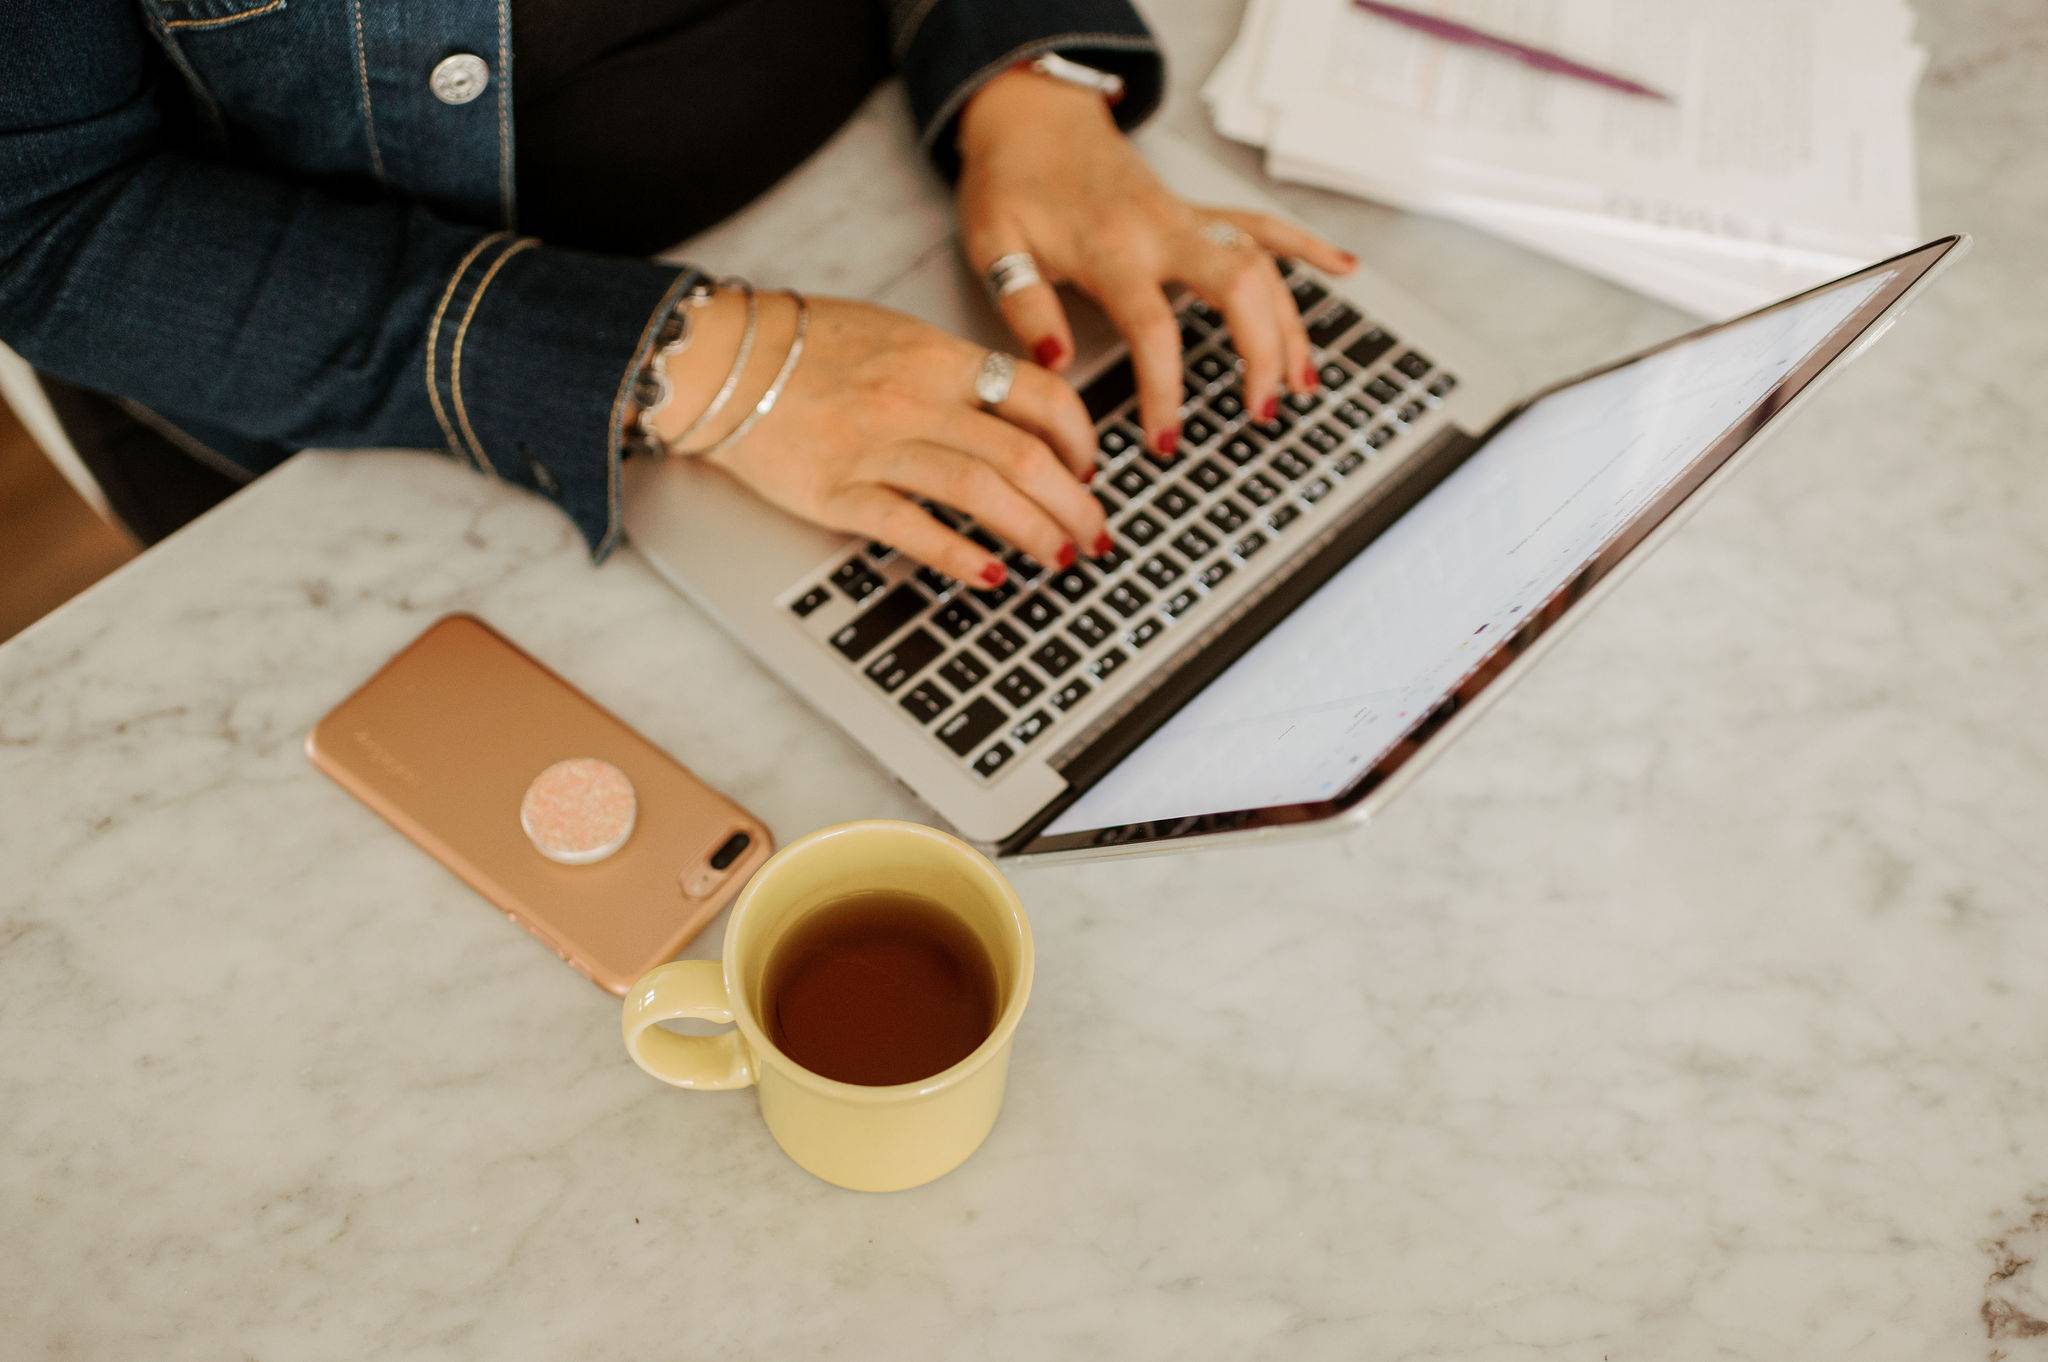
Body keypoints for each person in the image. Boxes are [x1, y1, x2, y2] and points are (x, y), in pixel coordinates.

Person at [0, 0, 1354, 584]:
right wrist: (709, 365)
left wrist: (1023, 77)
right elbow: (48, 220)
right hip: (363, 364)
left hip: (889, 183)